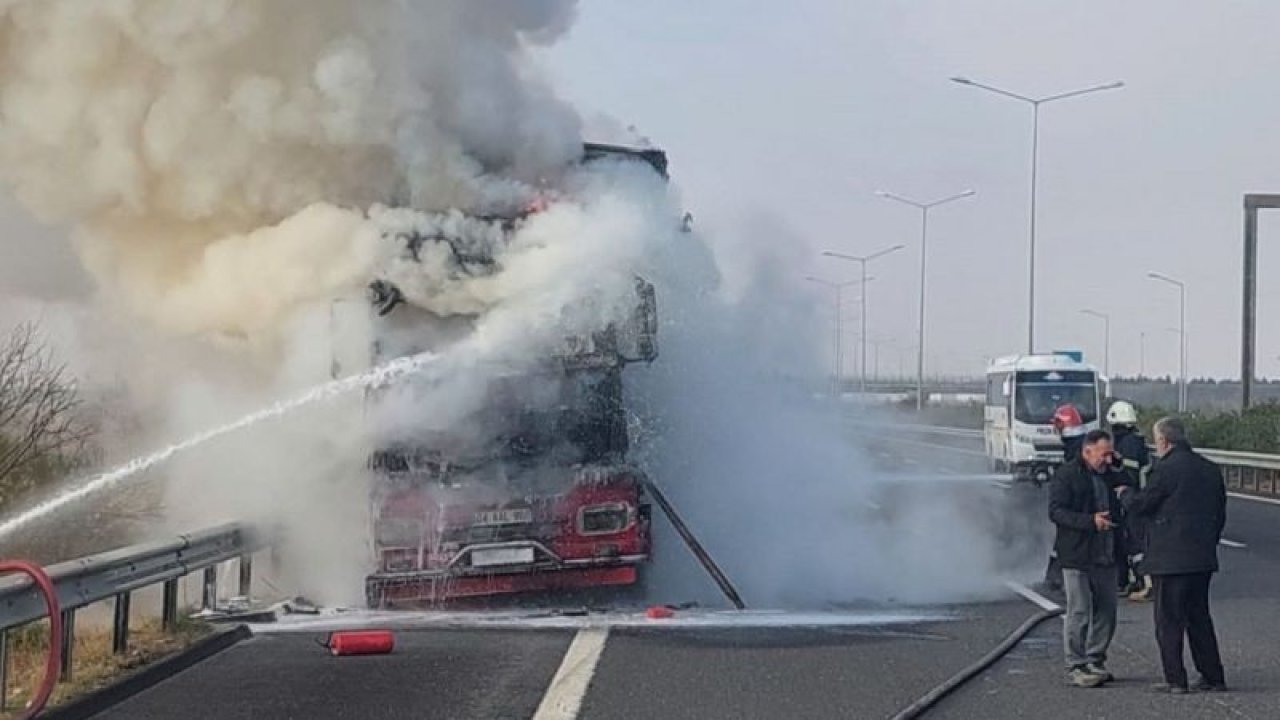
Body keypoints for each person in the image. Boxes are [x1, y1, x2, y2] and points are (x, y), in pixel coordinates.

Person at [1117, 417, 1227, 694]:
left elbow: (1143, 505)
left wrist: (1124, 494)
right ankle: (1213, 676)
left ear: (1163, 441)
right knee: (1199, 618)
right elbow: (1219, 515)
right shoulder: (1210, 469)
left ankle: (1175, 679)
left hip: (1170, 560)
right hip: (1201, 557)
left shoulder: (1165, 470)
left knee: (1169, 621)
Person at [1049, 429, 1124, 688]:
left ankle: (1096, 658)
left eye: (1110, 454)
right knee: (1079, 611)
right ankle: (1076, 664)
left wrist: (1118, 465)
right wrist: (1090, 522)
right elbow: (1056, 512)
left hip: (1107, 553)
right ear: (1087, 451)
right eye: (1103, 454)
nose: (1107, 459)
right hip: (1077, 554)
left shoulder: (1110, 475)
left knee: (1107, 611)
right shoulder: (1067, 475)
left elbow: (1132, 486)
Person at [1106, 400, 1152, 599]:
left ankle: (1146, 583)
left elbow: (1129, 474)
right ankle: (1135, 581)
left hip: (1134, 501)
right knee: (1128, 543)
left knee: (1135, 543)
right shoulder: (1134, 441)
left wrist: (1124, 495)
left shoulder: (1128, 444)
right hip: (1136, 499)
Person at [1043, 404, 1088, 591]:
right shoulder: (1080, 444)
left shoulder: (1075, 448)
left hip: (1075, 507)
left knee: (1067, 540)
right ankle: (1056, 576)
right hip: (1079, 505)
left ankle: (1057, 577)